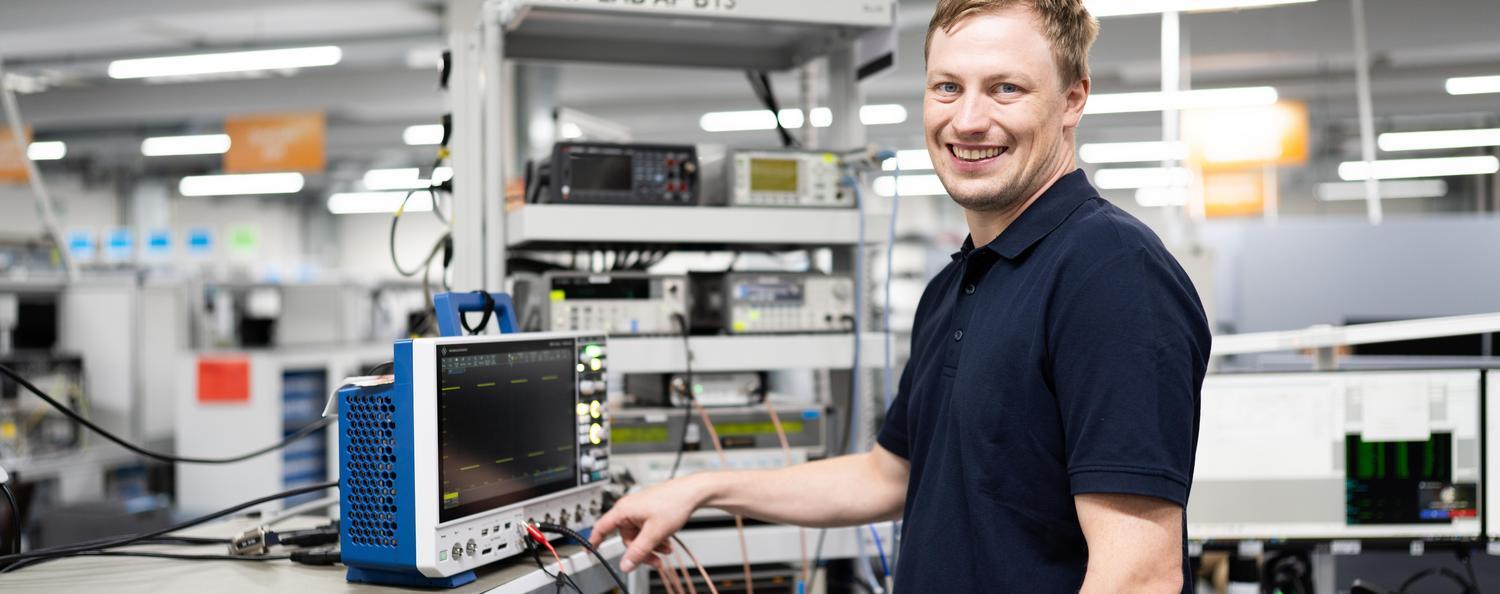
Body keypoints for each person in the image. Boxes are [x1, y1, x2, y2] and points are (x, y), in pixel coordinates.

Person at [591, 0, 1211, 590]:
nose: (967, 120)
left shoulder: (1111, 274)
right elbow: (886, 475)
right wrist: (698, 489)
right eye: (947, 87)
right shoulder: (957, 283)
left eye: (1005, 88)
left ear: (1073, 97)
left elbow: (1137, 576)